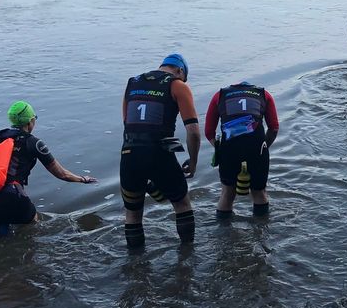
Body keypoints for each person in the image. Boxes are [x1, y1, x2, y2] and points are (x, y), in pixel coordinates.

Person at [0, 100, 97, 235]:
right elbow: (62, 174)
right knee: (32, 230)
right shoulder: (34, 143)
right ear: (30, 121)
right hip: (12, 197)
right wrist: (82, 179)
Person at [120, 54, 201, 249]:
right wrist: (193, 160)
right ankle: (187, 254)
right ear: (180, 71)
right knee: (181, 203)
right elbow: (194, 132)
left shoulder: (132, 83)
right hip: (159, 153)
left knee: (132, 213)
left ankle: (136, 266)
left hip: (129, 154)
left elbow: (128, 124)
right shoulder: (178, 86)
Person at [204, 81, 280, 219]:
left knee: (227, 192)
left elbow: (209, 132)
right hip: (257, 147)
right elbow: (274, 128)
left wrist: (219, 149)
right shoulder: (264, 94)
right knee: (259, 192)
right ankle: (261, 233)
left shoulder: (219, 95)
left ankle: (224, 233)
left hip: (229, 148)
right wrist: (264, 147)